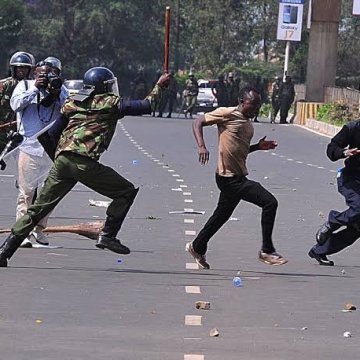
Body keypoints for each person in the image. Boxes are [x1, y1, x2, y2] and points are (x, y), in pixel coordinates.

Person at [0, 67, 169, 267]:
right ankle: (108, 234)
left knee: (35, 210)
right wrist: (160, 85)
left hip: (62, 162)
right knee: (125, 192)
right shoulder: (110, 103)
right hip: (84, 162)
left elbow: (49, 135)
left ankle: (4, 252)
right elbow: (147, 105)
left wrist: (60, 159)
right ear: (104, 86)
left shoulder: (72, 102)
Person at [185, 85, 288, 269]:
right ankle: (267, 250)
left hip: (236, 175)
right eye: (253, 105)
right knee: (270, 202)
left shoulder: (248, 125)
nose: (256, 109)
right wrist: (201, 146)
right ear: (242, 102)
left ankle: (197, 246)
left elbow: (239, 150)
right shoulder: (227, 113)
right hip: (229, 178)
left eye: (258, 106)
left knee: (221, 216)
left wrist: (258, 147)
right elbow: (198, 122)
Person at [10, 60, 70, 247]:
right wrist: (36, 89)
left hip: (52, 149)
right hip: (30, 147)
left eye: (51, 74)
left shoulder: (61, 88)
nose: (47, 78)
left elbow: (69, 108)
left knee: (48, 194)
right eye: (43, 74)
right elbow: (16, 105)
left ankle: (40, 231)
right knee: (27, 192)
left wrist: (56, 91)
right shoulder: (25, 85)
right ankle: (23, 233)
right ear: (35, 74)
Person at [308, 120, 360, 266]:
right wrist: (344, 152)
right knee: (359, 207)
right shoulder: (353, 128)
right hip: (350, 179)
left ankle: (319, 251)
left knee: (357, 229)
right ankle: (334, 220)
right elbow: (332, 148)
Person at [0, 52, 34, 155]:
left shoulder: (32, 86)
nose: (22, 70)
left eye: (25, 68)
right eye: (19, 68)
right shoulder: (5, 84)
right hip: (2, 129)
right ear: (13, 69)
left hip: (21, 132)